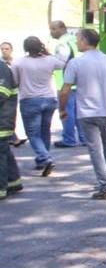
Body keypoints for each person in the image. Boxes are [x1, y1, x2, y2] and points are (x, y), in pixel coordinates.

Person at [59, 29, 106, 200]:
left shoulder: (75, 63)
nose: (77, 43)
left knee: (95, 149)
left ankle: (105, 185)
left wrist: (62, 109)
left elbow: (65, 90)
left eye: (78, 40)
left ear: (85, 41)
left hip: (87, 113)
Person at [12, 36, 67, 176]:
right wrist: (48, 53)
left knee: (33, 134)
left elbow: (15, 81)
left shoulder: (19, 63)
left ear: (26, 49)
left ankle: (45, 158)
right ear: (41, 47)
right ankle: (42, 160)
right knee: (45, 130)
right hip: (49, 99)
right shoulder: (50, 60)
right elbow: (63, 64)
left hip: (29, 100)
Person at [50, 21, 85, 148]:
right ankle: (84, 137)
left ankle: (69, 139)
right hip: (78, 82)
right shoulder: (75, 40)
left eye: (53, 29)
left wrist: (47, 59)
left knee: (66, 112)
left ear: (62, 28)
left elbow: (60, 63)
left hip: (65, 83)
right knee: (78, 113)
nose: (51, 32)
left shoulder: (62, 44)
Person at [0, 55, 22, 200]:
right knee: (4, 151)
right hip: (4, 119)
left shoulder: (1, 68)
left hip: (2, 120)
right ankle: (13, 182)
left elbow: (2, 93)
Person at [0, 42, 26, 147]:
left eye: (7, 49)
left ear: (11, 50)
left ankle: (13, 137)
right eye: (2, 49)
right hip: (8, 94)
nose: (4, 51)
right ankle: (14, 138)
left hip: (16, 91)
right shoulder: (1, 64)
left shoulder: (16, 62)